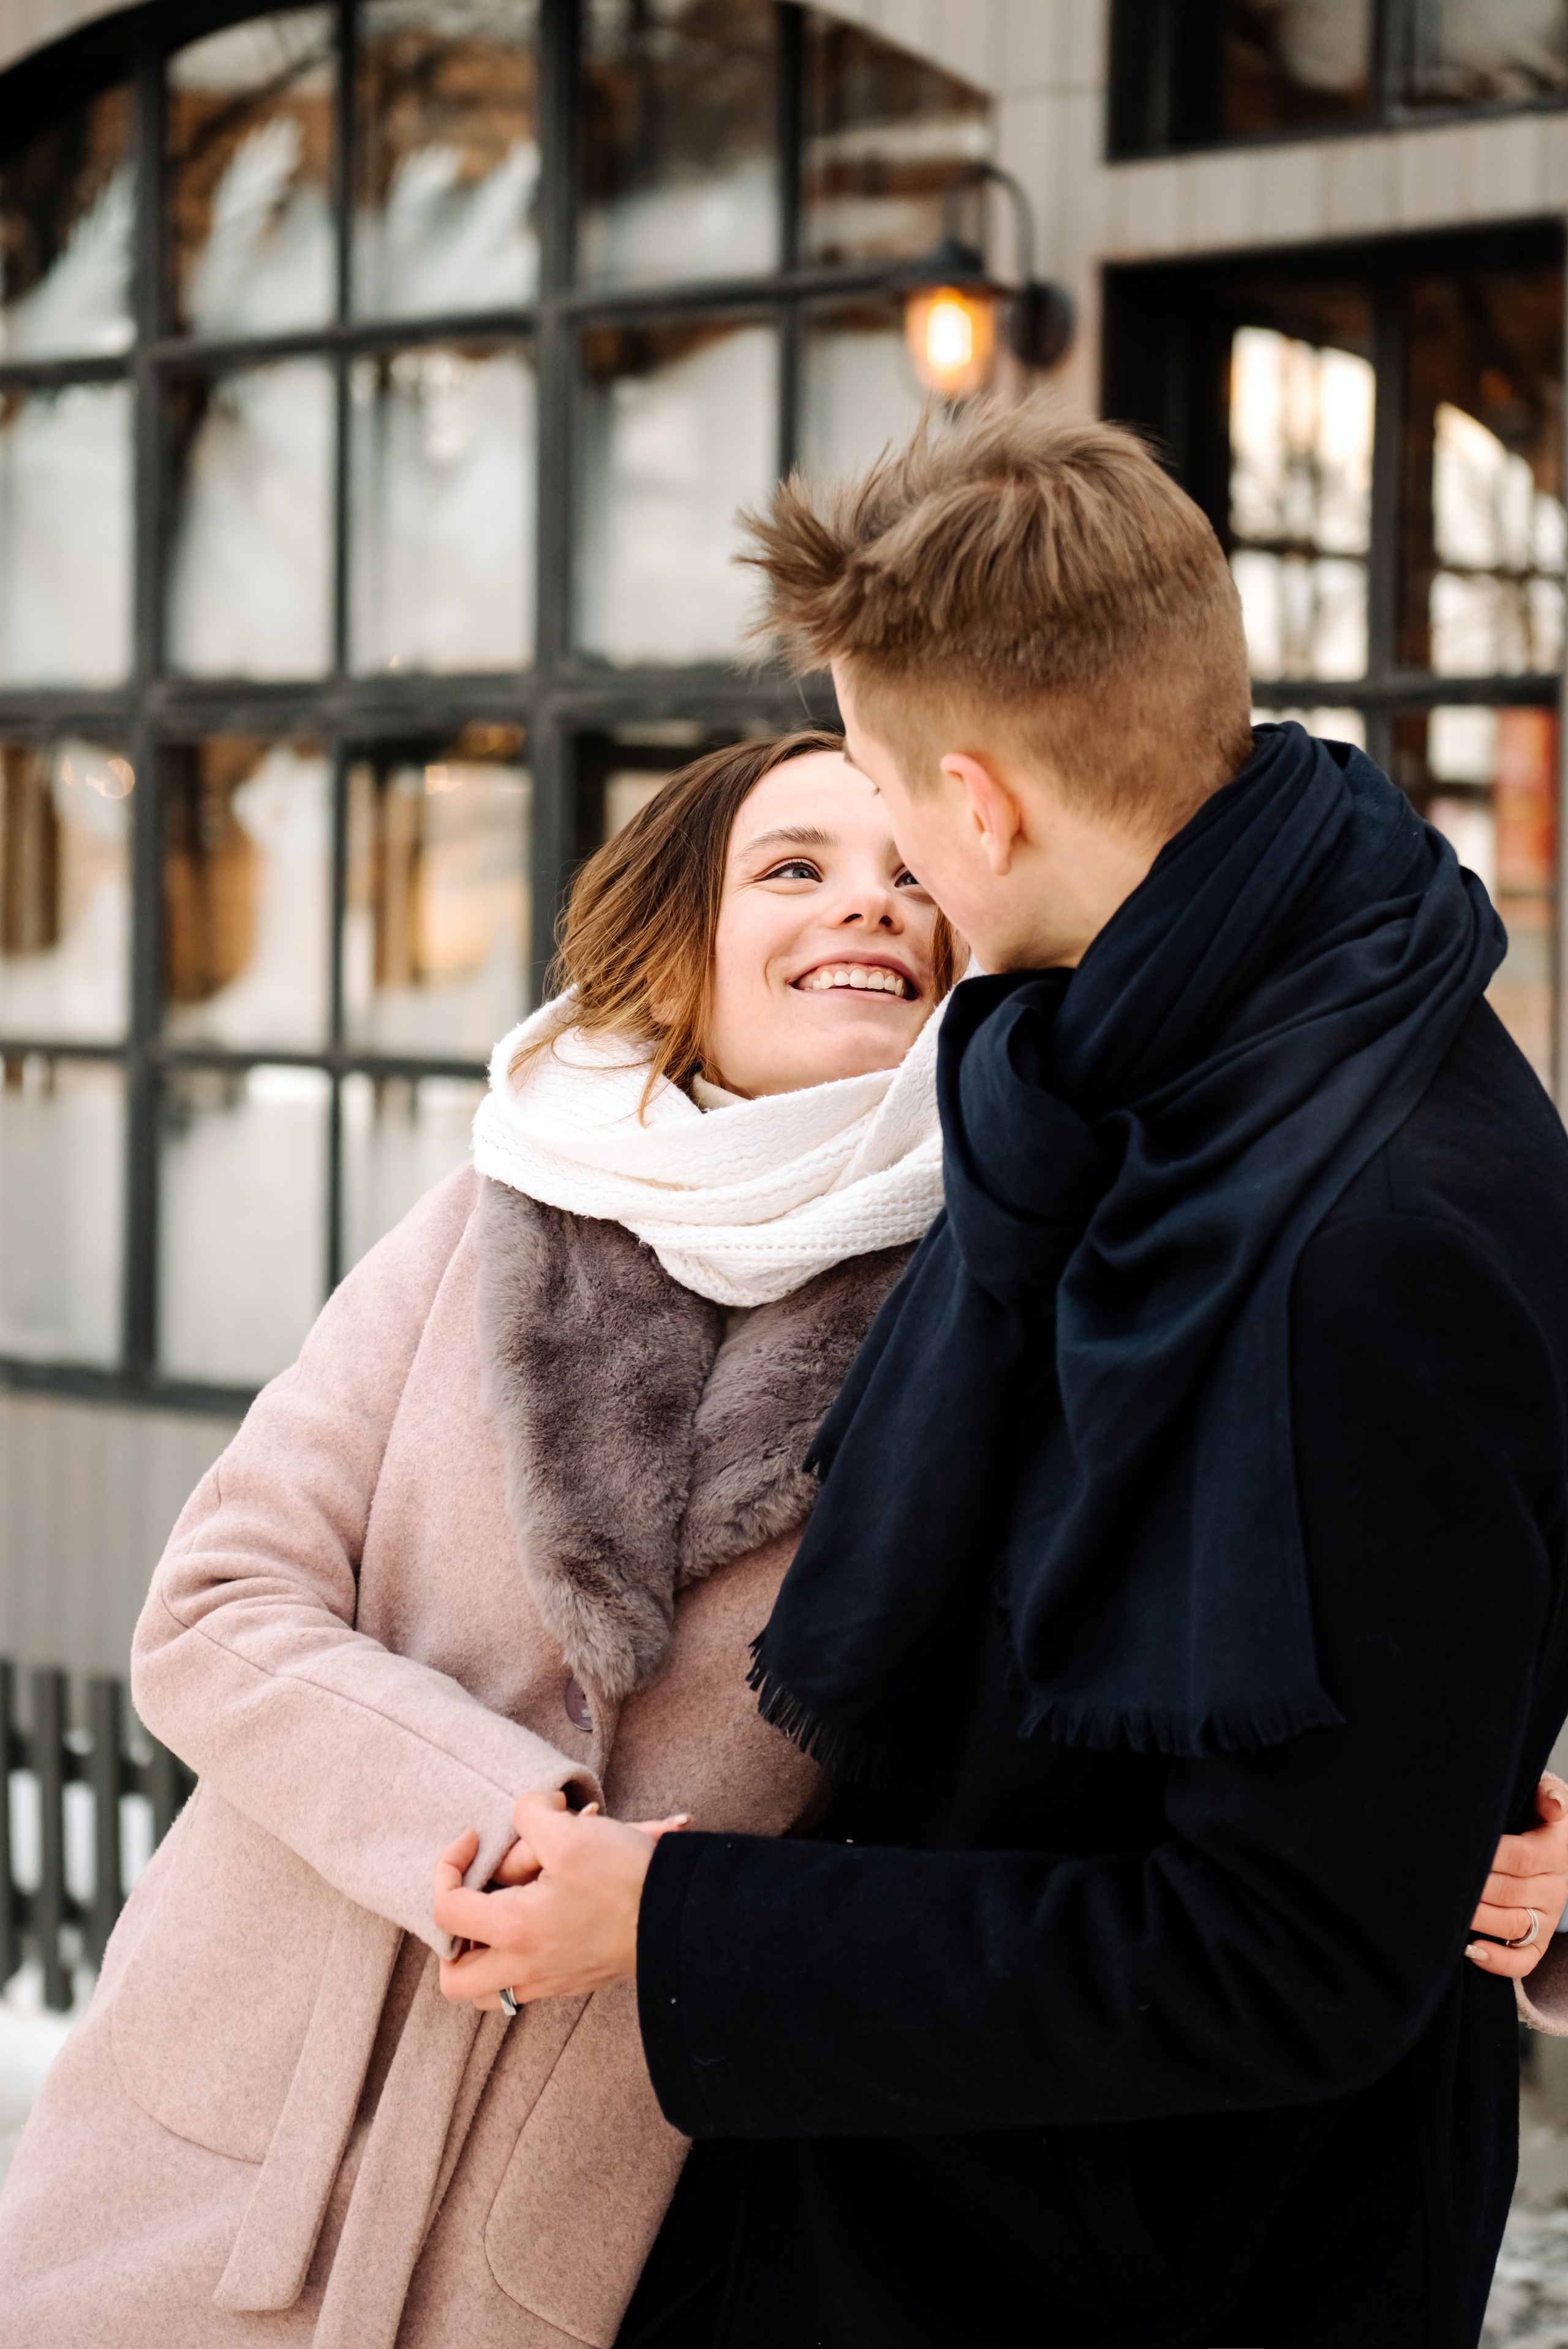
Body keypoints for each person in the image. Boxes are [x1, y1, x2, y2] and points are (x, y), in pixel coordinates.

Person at [426, 408, 1568, 2349]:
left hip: (1163, 2267)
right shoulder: (1127, 1052)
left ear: (980, 802)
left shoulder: (1379, 1229)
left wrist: (675, 1924)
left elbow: (1282, 1953)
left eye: (885, 794)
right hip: (927, 2195)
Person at [0, 728, 965, 2348]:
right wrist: (498, 1824)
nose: (870, 905)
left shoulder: (981, 1313)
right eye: (796, 866)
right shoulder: (495, 1209)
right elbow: (217, 1602)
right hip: (208, 2151)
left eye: (917, 875)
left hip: (565, 2234)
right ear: (682, 932)